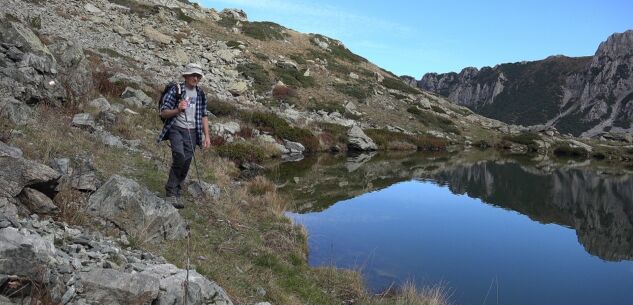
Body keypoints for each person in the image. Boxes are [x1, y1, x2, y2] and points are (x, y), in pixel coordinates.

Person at [156, 63, 211, 209]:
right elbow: (163, 112)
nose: (196, 78)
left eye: (198, 76)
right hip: (176, 128)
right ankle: (170, 192)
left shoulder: (201, 94)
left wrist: (207, 136)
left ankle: (177, 189)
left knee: (186, 161)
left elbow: (204, 115)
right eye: (193, 75)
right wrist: (178, 110)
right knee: (179, 156)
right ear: (186, 76)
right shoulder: (176, 89)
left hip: (193, 132)